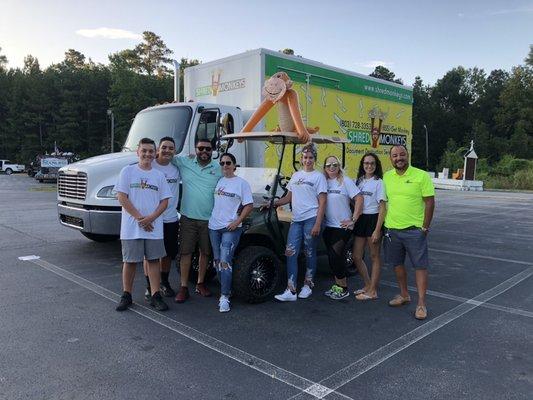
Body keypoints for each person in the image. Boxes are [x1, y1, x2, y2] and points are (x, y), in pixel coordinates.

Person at [115, 138, 173, 312]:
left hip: (154, 228)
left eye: (150, 151)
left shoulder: (159, 175)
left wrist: (151, 218)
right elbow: (122, 198)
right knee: (130, 261)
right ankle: (127, 295)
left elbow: (164, 201)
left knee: (154, 260)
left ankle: (155, 295)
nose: (147, 154)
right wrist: (142, 219)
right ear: (138, 152)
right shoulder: (127, 171)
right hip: (131, 228)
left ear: (154, 153)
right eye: (144, 150)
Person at [383, 145, 435, 320]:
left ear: (408, 155)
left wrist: (425, 228)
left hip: (414, 231)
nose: (399, 158)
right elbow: (384, 203)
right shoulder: (387, 177)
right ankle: (404, 295)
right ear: (391, 159)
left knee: (420, 266)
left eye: (402, 154)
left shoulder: (421, 176)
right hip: (392, 230)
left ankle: (421, 304)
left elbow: (429, 202)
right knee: (397, 265)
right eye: (395, 155)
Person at [273, 144, 327, 301]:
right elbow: (288, 198)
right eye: (305, 157)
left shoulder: (318, 177)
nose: (308, 160)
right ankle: (291, 290)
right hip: (296, 220)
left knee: (310, 252)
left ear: (315, 159)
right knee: (290, 253)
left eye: (311, 157)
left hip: (311, 218)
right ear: (301, 159)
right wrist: (273, 203)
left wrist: (318, 223)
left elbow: (323, 202)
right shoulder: (296, 176)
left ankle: (308, 285)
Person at [172, 138, 222, 303]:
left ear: (212, 150)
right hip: (188, 218)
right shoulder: (185, 162)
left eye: (208, 149)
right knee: (185, 253)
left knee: (205, 253)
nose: (204, 152)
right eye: (201, 148)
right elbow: (166, 155)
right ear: (195, 149)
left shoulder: (218, 167)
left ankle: (200, 283)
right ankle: (184, 287)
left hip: (209, 220)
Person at [208, 153, 253, 312]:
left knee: (225, 261)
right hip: (214, 226)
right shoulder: (219, 181)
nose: (225, 166)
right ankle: (228, 289)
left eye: (228, 163)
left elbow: (248, 205)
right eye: (222, 163)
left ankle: (224, 296)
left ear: (234, 165)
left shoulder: (242, 183)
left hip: (230, 228)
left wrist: (237, 222)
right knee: (217, 260)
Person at [143, 137, 180, 301]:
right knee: (150, 255)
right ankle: (149, 286)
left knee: (167, 254)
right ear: (158, 149)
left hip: (171, 219)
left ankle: (164, 282)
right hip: (153, 219)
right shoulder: (151, 166)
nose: (167, 151)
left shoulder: (176, 169)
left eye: (170, 148)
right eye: (164, 147)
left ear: (175, 151)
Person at [321, 155, 363, 300]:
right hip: (328, 226)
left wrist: (353, 219)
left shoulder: (345, 181)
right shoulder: (324, 182)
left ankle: (344, 288)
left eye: (335, 165)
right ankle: (338, 286)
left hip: (342, 227)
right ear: (324, 168)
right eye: (328, 165)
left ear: (339, 166)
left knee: (335, 256)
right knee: (332, 259)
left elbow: (359, 198)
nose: (331, 167)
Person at [352, 152, 386, 301]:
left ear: (376, 165)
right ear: (362, 165)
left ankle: (373, 291)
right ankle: (367, 285)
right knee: (357, 256)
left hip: (373, 220)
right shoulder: (358, 181)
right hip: (360, 219)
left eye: (372, 163)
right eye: (366, 163)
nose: (369, 166)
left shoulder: (379, 182)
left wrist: (377, 230)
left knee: (374, 256)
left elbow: (382, 208)